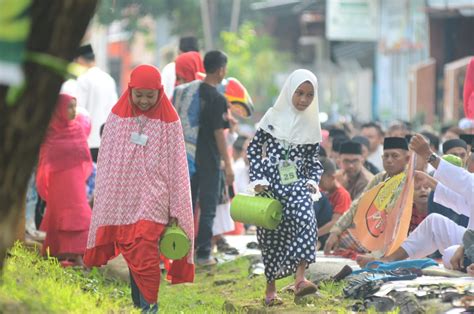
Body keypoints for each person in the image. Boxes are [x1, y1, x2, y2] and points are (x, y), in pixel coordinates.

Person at [83, 65, 194, 312]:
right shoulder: (116, 117)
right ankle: (139, 303)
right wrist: (106, 200)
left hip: (156, 197)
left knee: (144, 248)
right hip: (123, 200)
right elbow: (108, 162)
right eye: (139, 95)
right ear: (130, 90)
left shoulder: (171, 120)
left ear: (159, 93)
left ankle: (149, 306)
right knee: (133, 251)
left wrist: (176, 205)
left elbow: (178, 167)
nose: (144, 101)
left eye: (150, 95)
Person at [247, 69, 323, 305]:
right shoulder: (271, 117)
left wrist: (312, 181)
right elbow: (253, 150)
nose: (303, 99)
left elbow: (314, 161)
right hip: (269, 186)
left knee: (306, 219)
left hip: (296, 185)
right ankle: (271, 291)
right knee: (270, 237)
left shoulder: (312, 123)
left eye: (309, 95)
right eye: (299, 93)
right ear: (290, 90)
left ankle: (300, 278)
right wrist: (258, 180)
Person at [324, 137, 410, 255]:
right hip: (375, 230)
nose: (389, 160)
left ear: (407, 159)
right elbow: (358, 205)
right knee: (342, 238)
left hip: (401, 233)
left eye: (395, 156)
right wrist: (336, 230)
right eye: (386, 156)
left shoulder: (410, 179)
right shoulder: (380, 178)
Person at [36, 94, 92, 266]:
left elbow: (85, 157)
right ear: (58, 110)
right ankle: (60, 252)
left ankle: (77, 253)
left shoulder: (77, 129)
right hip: (58, 182)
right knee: (60, 213)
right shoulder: (50, 132)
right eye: (69, 107)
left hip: (75, 181)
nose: (73, 110)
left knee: (79, 213)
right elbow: (45, 159)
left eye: (75, 106)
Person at [193, 50, 234, 266]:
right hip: (209, 159)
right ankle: (203, 254)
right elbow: (219, 133)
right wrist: (228, 164)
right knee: (208, 207)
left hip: (189, 157)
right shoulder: (218, 98)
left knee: (189, 205)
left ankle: (183, 252)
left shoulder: (192, 93)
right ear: (220, 70)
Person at [75, 44, 118, 162]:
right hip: (105, 141)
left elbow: (79, 110)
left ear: (80, 60)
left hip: (87, 141)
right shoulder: (109, 79)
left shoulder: (83, 79)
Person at [318, 157, 351, 247]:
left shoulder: (342, 195)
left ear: (332, 177)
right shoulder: (321, 191)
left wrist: (314, 234)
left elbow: (335, 223)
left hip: (333, 236)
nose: (318, 184)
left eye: (320, 181)